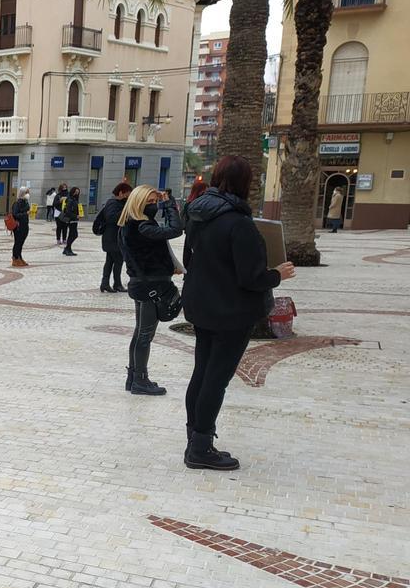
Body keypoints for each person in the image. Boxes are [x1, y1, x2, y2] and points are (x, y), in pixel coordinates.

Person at [182, 156, 296, 470]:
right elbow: (251, 277)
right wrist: (278, 274)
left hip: (202, 306)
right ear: (245, 183)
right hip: (231, 312)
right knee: (215, 380)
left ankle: (195, 437)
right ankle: (201, 447)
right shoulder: (239, 223)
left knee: (202, 372)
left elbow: (190, 259)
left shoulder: (198, 214)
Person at [118, 184, 183, 396]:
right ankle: (140, 380)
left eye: (155, 202)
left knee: (140, 333)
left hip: (143, 284)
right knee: (145, 335)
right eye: (150, 202)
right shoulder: (142, 226)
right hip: (150, 287)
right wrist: (169, 205)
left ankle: (133, 377)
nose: (154, 206)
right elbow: (175, 229)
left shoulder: (130, 225)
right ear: (138, 203)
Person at [93, 183, 132, 292]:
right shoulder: (113, 203)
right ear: (121, 193)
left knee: (110, 261)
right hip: (112, 238)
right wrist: (125, 213)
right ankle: (117, 284)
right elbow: (111, 218)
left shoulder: (115, 203)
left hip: (112, 238)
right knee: (118, 261)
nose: (129, 197)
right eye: (128, 194)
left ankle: (105, 284)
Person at [10, 187, 31, 267]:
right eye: (26, 193)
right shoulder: (17, 203)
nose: (28, 194)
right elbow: (15, 214)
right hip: (18, 226)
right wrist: (26, 214)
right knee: (17, 242)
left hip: (25, 225)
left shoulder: (26, 202)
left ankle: (19, 257)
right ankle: (15, 258)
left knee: (21, 242)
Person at [60, 186, 82, 256]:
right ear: (73, 192)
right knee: (74, 234)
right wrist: (76, 216)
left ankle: (67, 249)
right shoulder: (70, 200)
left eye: (78, 192)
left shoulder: (75, 199)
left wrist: (78, 215)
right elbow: (68, 211)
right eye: (76, 192)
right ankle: (67, 249)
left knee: (72, 235)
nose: (76, 193)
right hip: (71, 219)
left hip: (74, 220)